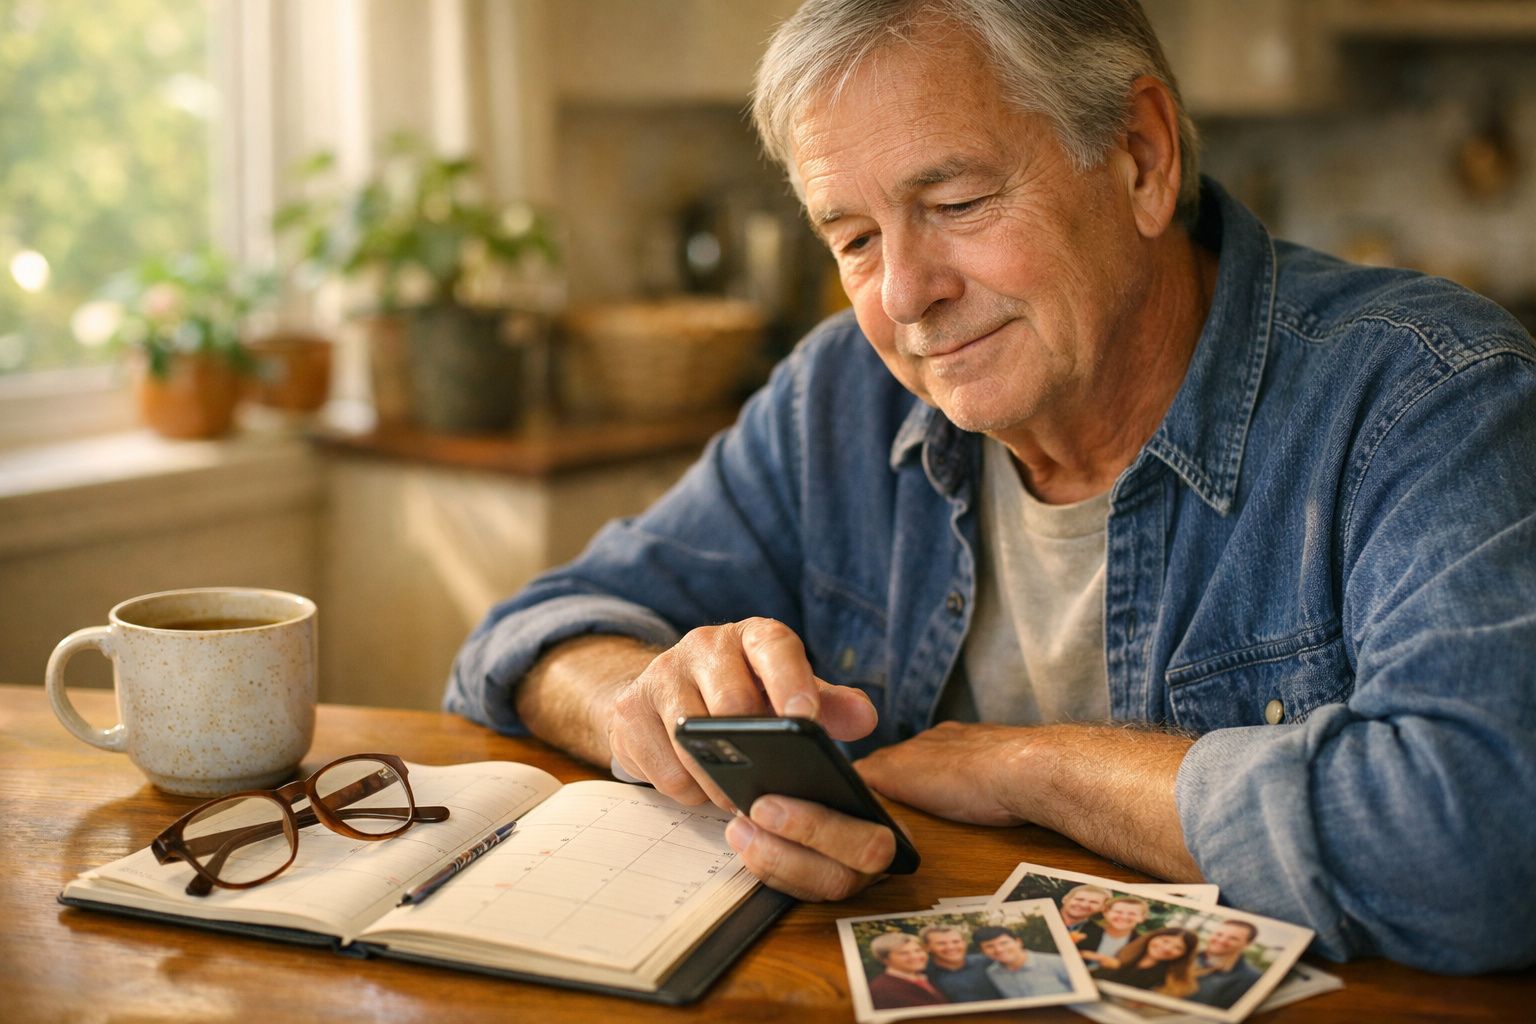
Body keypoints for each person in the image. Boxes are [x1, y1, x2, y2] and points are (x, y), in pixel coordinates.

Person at [445, 0, 1536, 974]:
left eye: (958, 201)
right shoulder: (841, 393)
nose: (907, 294)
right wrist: (655, 702)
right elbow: (527, 638)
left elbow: (1482, 843)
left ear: (1143, 158)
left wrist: (1027, 767)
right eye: (857, 238)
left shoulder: (1430, 395)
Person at [1094, 927, 1200, 998]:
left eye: (1178, 948)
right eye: (1165, 940)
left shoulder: (1168, 982)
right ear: (1153, 937)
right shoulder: (1123, 955)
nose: (1167, 948)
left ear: (1184, 955)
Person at [973, 924, 1074, 998]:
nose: (999, 949)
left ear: (1018, 942)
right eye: (989, 946)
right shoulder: (992, 973)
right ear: (982, 952)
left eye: (1004, 943)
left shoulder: (1057, 962)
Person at [1189, 920, 1264, 1009]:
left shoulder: (1251, 978)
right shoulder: (1183, 957)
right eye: (1219, 934)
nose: (1222, 940)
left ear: (1247, 944)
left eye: (1233, 938)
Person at [920, 924, 1003, 1002]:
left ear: (964, 942)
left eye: (956, 942)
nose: (951, 947)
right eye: (941, 943)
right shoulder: (924, 975)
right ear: (926, 947)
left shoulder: (987, 962)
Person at [866, 932, 949, 1009]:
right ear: (885, 959)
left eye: (918, 950)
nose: (915, 956)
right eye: (903, 953)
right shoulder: (883, 990)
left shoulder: (926, 978)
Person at [1074, 895, 1149, 969]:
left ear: (1142, 918)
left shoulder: (1142, 944)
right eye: (1118, 912)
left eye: (1132, 914)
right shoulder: (1084, 928)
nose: (1124, 917)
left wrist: (1116, 965)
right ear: (1106, 913)